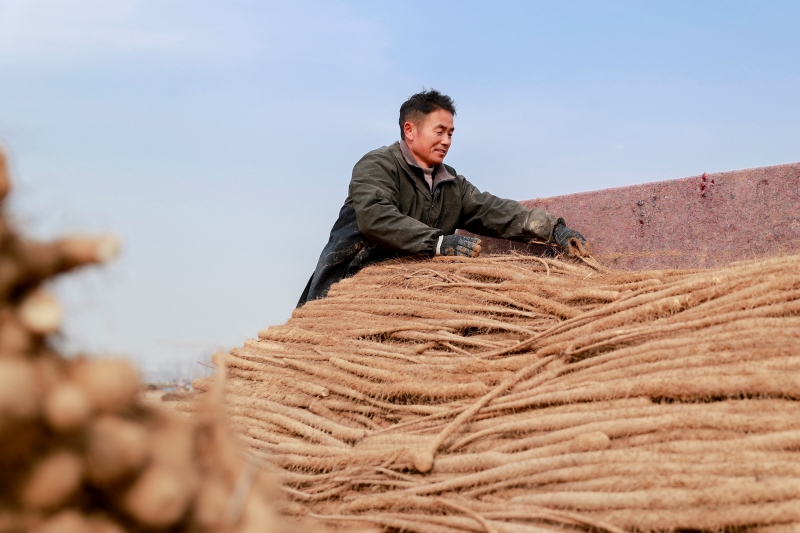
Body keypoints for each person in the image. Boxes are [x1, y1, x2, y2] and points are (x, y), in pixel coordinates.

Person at [297, 89, 586, 307]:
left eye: (451, 133)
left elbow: (493, 210)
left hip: (407, 294)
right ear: (410, 130)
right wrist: (438, 243)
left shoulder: (452, 185)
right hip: (344, 289)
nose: (447, 140)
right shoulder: (377, 166)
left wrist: (554, 229)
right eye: (440, 131)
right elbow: (375, 217)